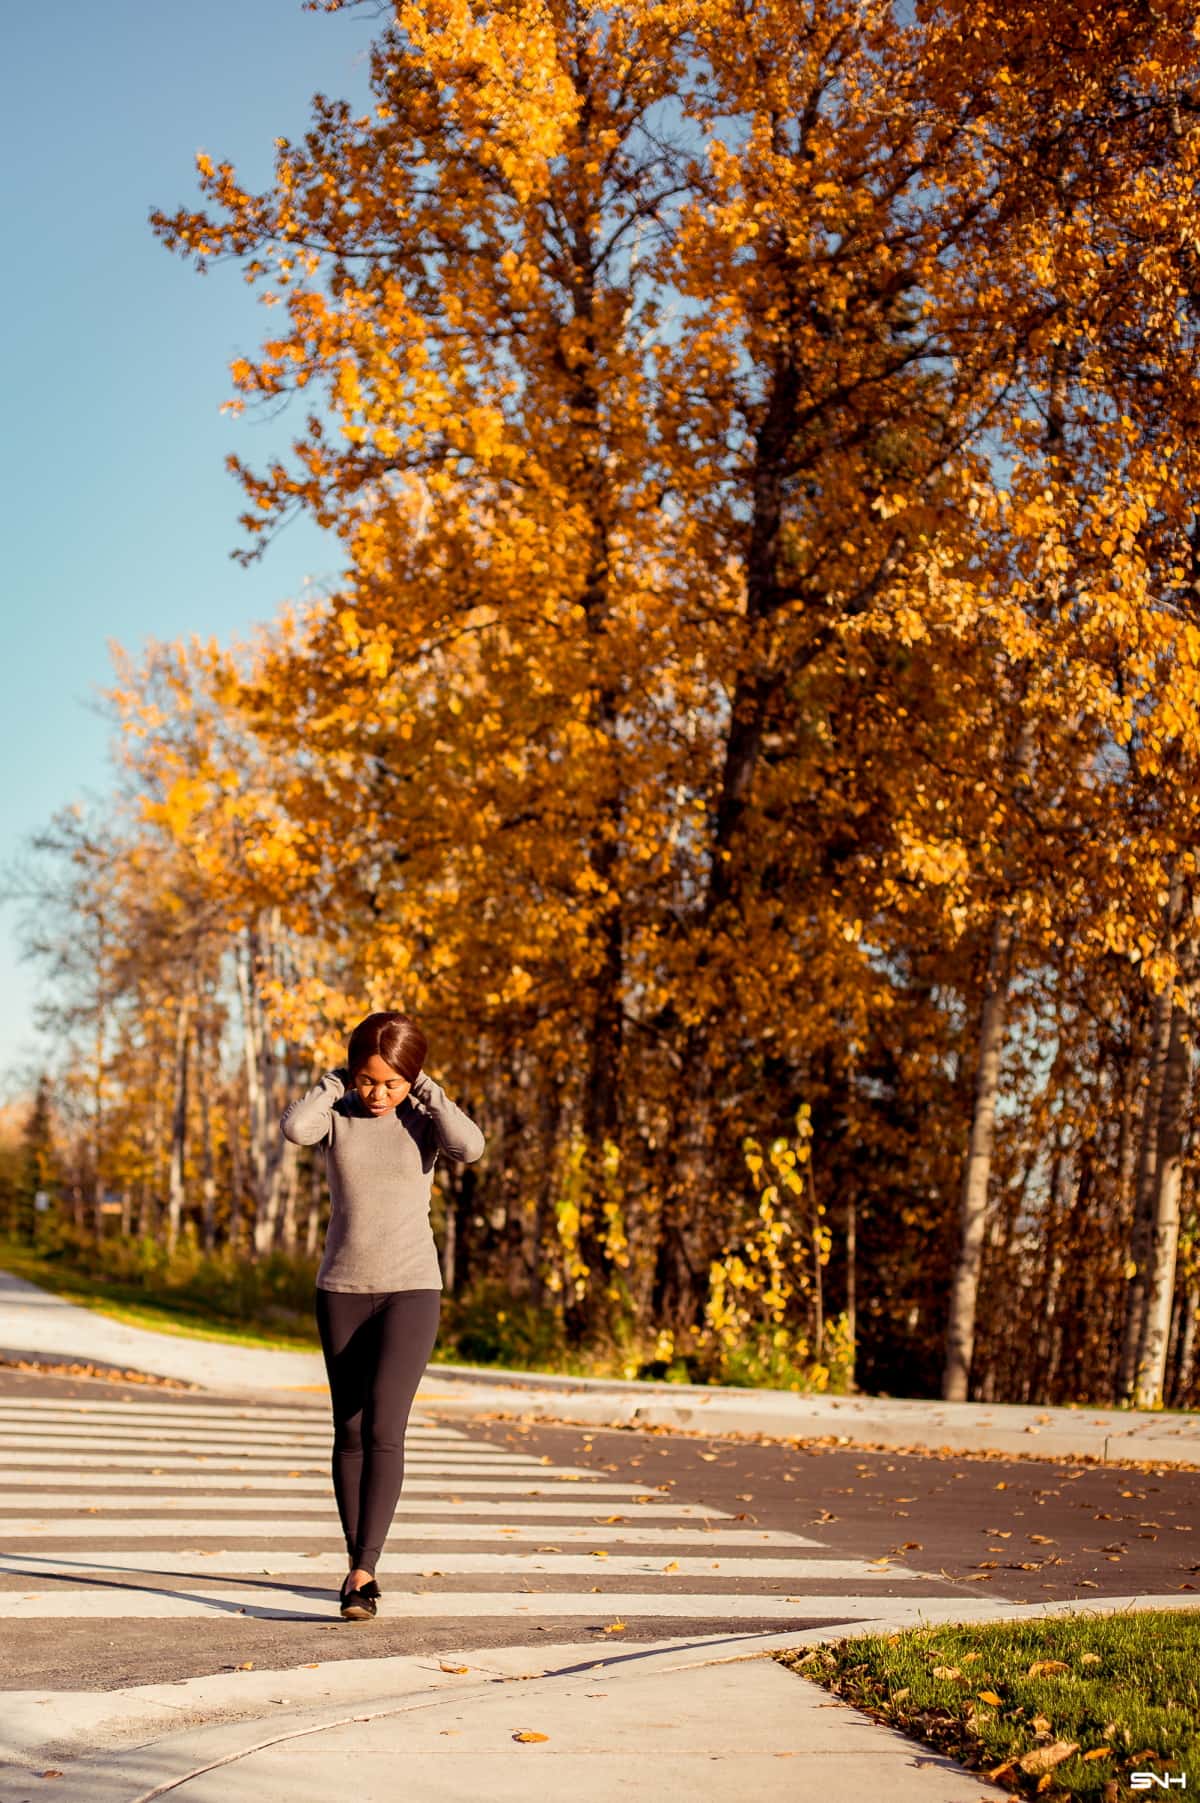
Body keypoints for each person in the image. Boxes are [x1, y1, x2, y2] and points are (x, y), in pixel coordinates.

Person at [280, 1010, 485, 1620]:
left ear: (411, 1080)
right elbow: (296, 1130)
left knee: (384, 1430)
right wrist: (332, 1083)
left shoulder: (423, 1119)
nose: (378, 1094)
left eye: (391, 1083)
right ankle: (355, 1564)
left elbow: (470, 1148)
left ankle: (366, 1570)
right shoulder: (338, 1115)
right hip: (341, 1289)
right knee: (349, 1428)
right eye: (369, 1081)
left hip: (411, 1290)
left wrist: (425, 1091)